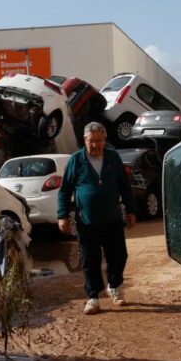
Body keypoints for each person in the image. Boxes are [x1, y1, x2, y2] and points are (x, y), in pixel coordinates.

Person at [58, 122, 137, 315]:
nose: (96, 145)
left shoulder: (113, 157)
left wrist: (131, 210)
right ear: (85, 140)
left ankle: (114, 285)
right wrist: (62, 216)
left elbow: (124, 186)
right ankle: (93, 297)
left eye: (99, 141)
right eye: (92, 141)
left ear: (104, 140)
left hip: (112, 218)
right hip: (87, 222)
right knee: (90, 260)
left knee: (119, 255)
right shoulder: (76, 160)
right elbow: (65, 190)